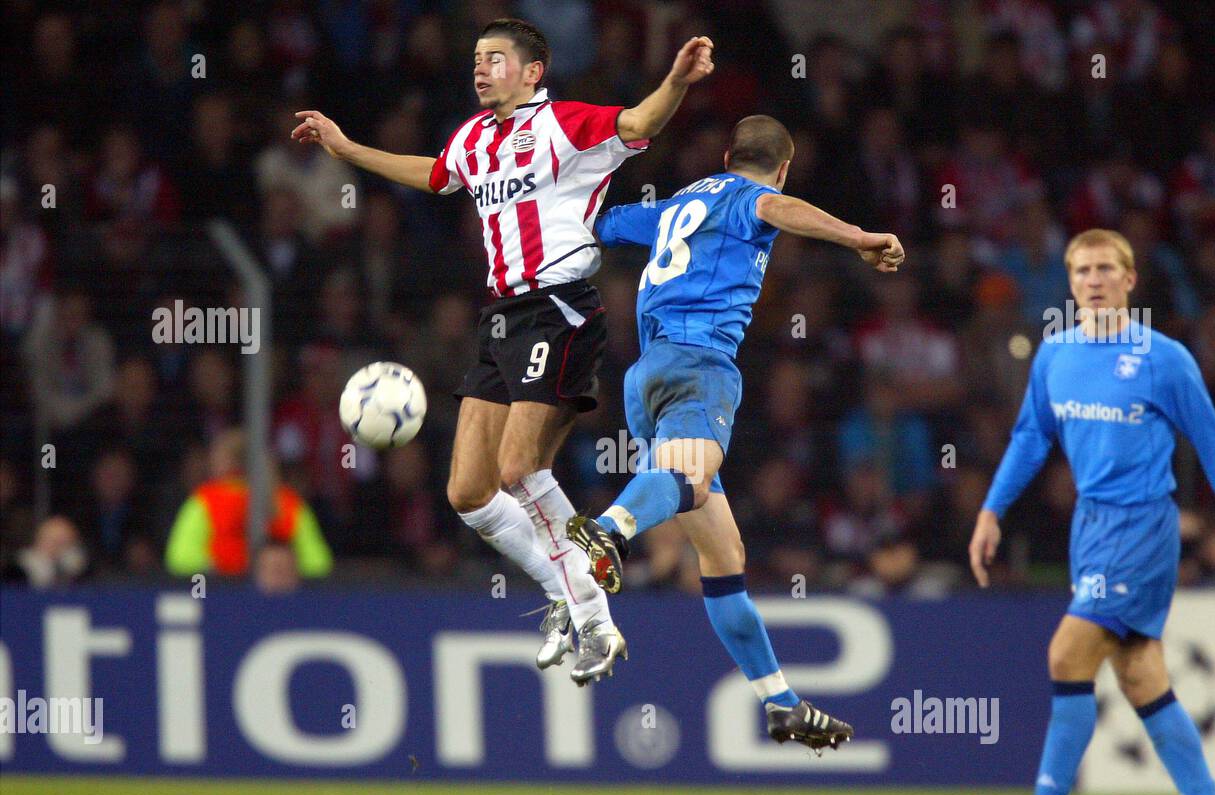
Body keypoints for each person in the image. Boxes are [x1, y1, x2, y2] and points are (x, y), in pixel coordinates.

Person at [290, 18, 715, 683]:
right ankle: (564, 597)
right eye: (477, 58)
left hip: (561, 308)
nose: (480, 69)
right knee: (467, 491)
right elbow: (433, 175)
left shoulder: (565, 127)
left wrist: (676, 81)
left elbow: (639, 122)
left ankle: (595, 619)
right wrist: (347, 148)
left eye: (494, 59)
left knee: (519, 465)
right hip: (502, 319)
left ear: (532, 71)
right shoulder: (472, 138)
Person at [566, 114, 904, 743]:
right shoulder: (756, 198)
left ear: (726, 154)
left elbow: (604, 225)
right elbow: (781, 211)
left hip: (645, 375)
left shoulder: (676, 205)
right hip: (699, 366)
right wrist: (857, 237)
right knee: (692, 477)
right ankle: (608, 529)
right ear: (782, 168)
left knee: (723, 556)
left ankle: (779, 700)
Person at [968, 228, 1215, 795]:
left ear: (1131, 280)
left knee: (1066, 654)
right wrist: (991, 510)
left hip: (1141, 526)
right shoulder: (1055, 355)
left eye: (1107, 269)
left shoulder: (1164, 359)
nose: (1095, 281)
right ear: (1071, 283)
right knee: (1139, 675)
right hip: (1091, 526)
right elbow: (1031, 438)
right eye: (1082, 271)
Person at [165, 429, 332, 580]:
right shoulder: (291, 503)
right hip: (276, 602)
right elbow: (317, 565)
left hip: (223, 600)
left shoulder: (205, 501)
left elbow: (181, 560)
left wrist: (224, 575)